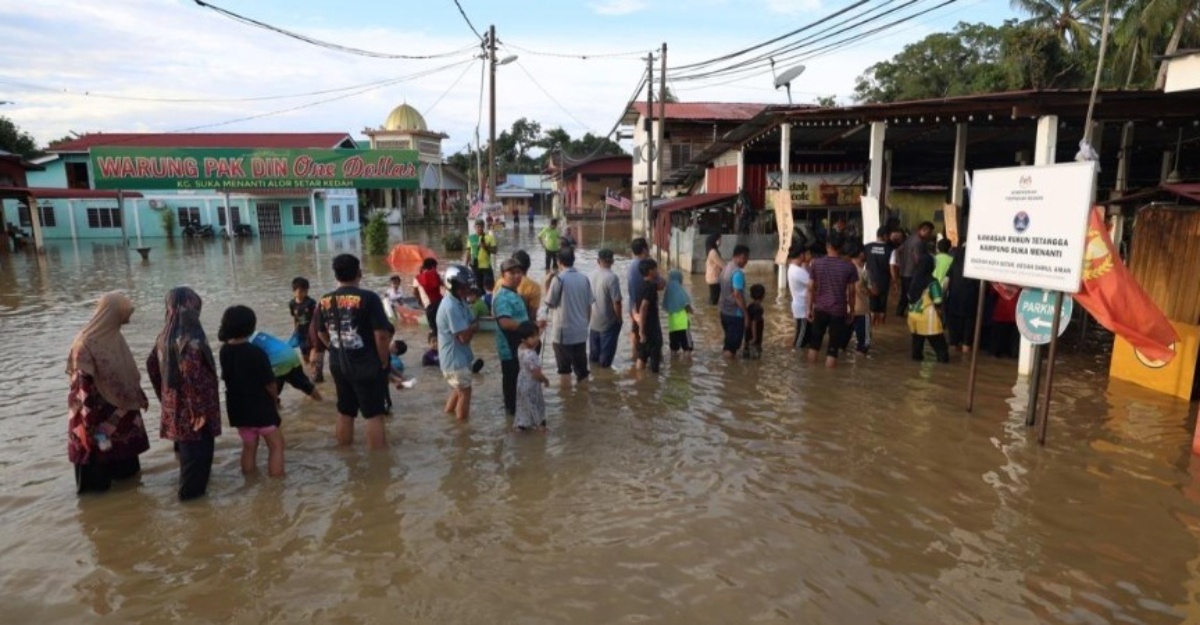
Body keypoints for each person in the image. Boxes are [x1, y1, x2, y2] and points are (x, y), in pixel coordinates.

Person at [66, 292, 151, 494]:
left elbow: (126, 372)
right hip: (97, 418)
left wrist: (138, 394)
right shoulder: (84, 344)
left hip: (121, 416)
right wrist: (90, 426)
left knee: (129, 483)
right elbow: (82, 389)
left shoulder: (114, 337)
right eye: (124, 313)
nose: (128, 318)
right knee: (95, 484)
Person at [146, 287, 222, 501]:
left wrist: (165, 397)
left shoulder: (165, 335)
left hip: (177, 408)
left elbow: (152, 366)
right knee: (198, 463)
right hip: (196, 412)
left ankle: (190, 504)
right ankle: (193, 509)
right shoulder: (191, 339)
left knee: (188, 459)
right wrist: (197, 410)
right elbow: (190, 376)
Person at [316, 254, 392, 449]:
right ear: (359, 272)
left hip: (338, 363)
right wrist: (383, 361)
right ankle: (378, 460)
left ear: (336, 275)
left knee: (345, 410)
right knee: (374, 414)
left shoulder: (324, 300)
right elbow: (381, 335)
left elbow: (321, 332)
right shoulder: (369, 298)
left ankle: (345, 454)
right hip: (366, 363)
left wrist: (334, 349)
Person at [217, 305, 285, 477]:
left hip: (238, 408)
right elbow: (270, 384)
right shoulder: (256, 352)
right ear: (250, 327)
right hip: (260, 407)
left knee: (249, 446)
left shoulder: (224, 351)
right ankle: (277, 484)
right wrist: (275, 401)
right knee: (276, 446)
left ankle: (250, 481)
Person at [807, 234, 859, 368]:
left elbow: (810, 288)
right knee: (833, 348)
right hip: (838, 311)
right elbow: (852, 292)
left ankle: (811, 373)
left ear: (827, 246)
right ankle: (830, 377)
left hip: (820, 308)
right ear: (841, 247)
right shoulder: (849, 267)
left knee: (814, 344)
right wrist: (852, 311)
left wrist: (809, 308)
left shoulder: (816, 263)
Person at [437, 264, 480, 421]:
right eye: (462, 287)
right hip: (455, 360)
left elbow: (471, 321)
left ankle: (449, 419)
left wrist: (471, 327)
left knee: (458, 389)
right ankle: (462, 429)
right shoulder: (451, 306)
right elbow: (464, 337)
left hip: (459, 357)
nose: (466, 289)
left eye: (467, 286)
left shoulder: (459, 300)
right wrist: (472, 328)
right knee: (465, 392)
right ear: (452, 286)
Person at [545, 247, 593, 382]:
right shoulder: (584, 278)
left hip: (563, 334)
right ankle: (583, 394)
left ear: (559, 262)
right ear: (573, 260)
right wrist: (585, 325)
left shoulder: (558, 280)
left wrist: (546, 283)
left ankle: (567, 396)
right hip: (580, 332)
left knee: (564, 372)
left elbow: (549, 303)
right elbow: (589, 306)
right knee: (582, 372)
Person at [493, 257, 530, 416]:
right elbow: (505, 322)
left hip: (519, 347)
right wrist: (529, 328)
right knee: (512, 386)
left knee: (520, 384)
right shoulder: (502, 297)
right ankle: (512, 417)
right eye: (512, 273)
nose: (517, 276)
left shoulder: (515, 294)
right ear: (503, 275)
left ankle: (518, 417)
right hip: (509, 349)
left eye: (519, 272)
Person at [250, 329, 322, 402]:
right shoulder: (256, 333)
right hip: (290, 353)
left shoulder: (245, 342)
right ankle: (321, 401)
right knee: (304, 385)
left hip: (277, 362)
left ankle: (277, 408)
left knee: (268, 395)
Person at [906, 254, 950, 363]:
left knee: (917, 349)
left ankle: (914, 369)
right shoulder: (933, 282)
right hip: (929, 319)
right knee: (941, 349)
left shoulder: (913, 280)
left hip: (914, 318)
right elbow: (938, 300)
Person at [589, 248, 623, 369]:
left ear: (598, 261)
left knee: (593, 358)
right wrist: (619, 318)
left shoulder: (590, 275)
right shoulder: (612, 278)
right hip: (608, 323)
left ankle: (594, 376)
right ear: (612, 261)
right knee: (605, 361)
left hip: (593, 321)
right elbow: (616, 302)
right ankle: (604, 378)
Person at [514, 321, 550, 432]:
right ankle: (540, 428)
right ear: (523, 339)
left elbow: (531, 342)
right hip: (531, 385)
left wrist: (540, 330)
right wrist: (545, 380)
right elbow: (536, 374)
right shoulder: (531, 355)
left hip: (521, 383)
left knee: (523, 406)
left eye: (537, 335)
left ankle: (522, 426)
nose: (536, 339)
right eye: (533, 337)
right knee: (536, 406)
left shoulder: (521, 348)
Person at [945, 243, 980, 353]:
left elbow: (946, 282)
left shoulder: (955, 263)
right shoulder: (976, 265)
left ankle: (953, 345)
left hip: (954, 299)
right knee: (968, 325)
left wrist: (942, 297)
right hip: (970, 299)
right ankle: (966, 346)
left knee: (953, 325)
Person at [718, 244, 750, 359]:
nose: (747, 261)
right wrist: (746, 314)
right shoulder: (737, 273)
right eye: (746, 258)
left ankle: (729, 368)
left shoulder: (725, 268)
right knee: (731, 349)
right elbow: (737, 295)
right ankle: (729, 369)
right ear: (741, 256)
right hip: (735, 315)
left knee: (729, 343)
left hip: (724, 312)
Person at [896, 221, 934, 316]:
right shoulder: (919, 242)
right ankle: (912, 313)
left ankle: (900, 311)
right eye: (929, 232)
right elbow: (918, 259)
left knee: (904, 293)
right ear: (923, 230)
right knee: (913, 294)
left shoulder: (910, 238)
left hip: (904, 271)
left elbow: (899, 250)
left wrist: (901, 262)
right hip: (912, 272)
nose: (930, 235)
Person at [289, 277, 323, 383]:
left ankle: (315, 373)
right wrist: (295, 331)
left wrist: (317, 331)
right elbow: (295, 318)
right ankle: (311, 373)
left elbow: (316, 318)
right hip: (300, 334)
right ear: (294, 291)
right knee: (305, 356)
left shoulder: (311, 302)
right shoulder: (292, 304)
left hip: (311, 333)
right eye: (300, 291)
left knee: (313, 356)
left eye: (305, 291)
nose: (303, 293)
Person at [635, 258, 664, 373]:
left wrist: (640, 328)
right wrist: (642, 331)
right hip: (650, 327)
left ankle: (640, 378)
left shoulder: (640, 285)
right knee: (654, 356)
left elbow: (662, 285)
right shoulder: (651, 287)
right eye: (656, 268)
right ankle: (653, 380)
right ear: (651, 271)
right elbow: (643, 307)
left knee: (642, 355)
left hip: (643, 325)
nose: (657, 270)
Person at [863, 227, 892, 326]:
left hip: (870, 279)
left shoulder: (867, 247)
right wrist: (895, 280)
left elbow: (862, 261)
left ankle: (872, 326)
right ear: (885, 236)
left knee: (872, 303)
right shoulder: (890, 249)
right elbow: (892, 265)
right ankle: (882, 325)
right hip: (884, 280)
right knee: (882, 304)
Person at [786, 244, 812, 350]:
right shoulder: (797, 271)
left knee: (801, 333)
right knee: (801, 338)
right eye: (806, 254)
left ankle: (798, 352)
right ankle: (796, 354)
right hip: (802, 306)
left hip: (800, 305)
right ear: (801, 255)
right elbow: (813, 284)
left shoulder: (795, 268)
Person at [849, 245, 873, 354]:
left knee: (840, 344)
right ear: (860, 254)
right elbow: (872, 291)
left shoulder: (843, 270)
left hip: (846, 310)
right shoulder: (864, 273)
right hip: (862, 310)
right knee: (864, 345)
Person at [664, 268, 694, 356]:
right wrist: (691, 311)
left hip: (672, 325)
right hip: (683, 324)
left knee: (673, 348)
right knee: (687, 348)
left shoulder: (668, 290)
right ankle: (687, 364)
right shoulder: (680, 290)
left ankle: (673, 363)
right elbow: (686, 303)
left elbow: (665, 306)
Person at [465, 219, 498, 291]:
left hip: (486, 266)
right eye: (478, 226)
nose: (479, 228)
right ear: (474, 227)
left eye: (481, 226)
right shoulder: (471, 238)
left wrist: (485, 246)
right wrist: (466, 265)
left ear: (484, 227)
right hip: (475, 266)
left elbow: (495, 251)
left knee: (490, 287)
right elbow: (468, 252)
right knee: (478, 288)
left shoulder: (489, 237)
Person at [414, 258, 443, 331]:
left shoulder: (417, 278)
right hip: (439, 302)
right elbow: (442, 285)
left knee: (433, 327)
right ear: (433, 267)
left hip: (428, 305)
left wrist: (419, 300)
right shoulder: (435, 275)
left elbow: (415, 292)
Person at [744, 283, 766, 359]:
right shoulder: (759, 309)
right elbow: (754, 322)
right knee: (756, 357)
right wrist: (754, 337)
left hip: (748, 334)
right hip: (755, 335)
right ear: (763, 296)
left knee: (747, 355)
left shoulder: (750, 306)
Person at [704, 233, 725, 305]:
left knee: (713, 298)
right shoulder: (713, 252)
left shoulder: (713, 251)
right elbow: (722, 264)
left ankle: (710, 309)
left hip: (713, 277)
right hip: (714, 278)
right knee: (714, 300)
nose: (720, 241)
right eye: (719, 239)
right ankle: (711, 310)